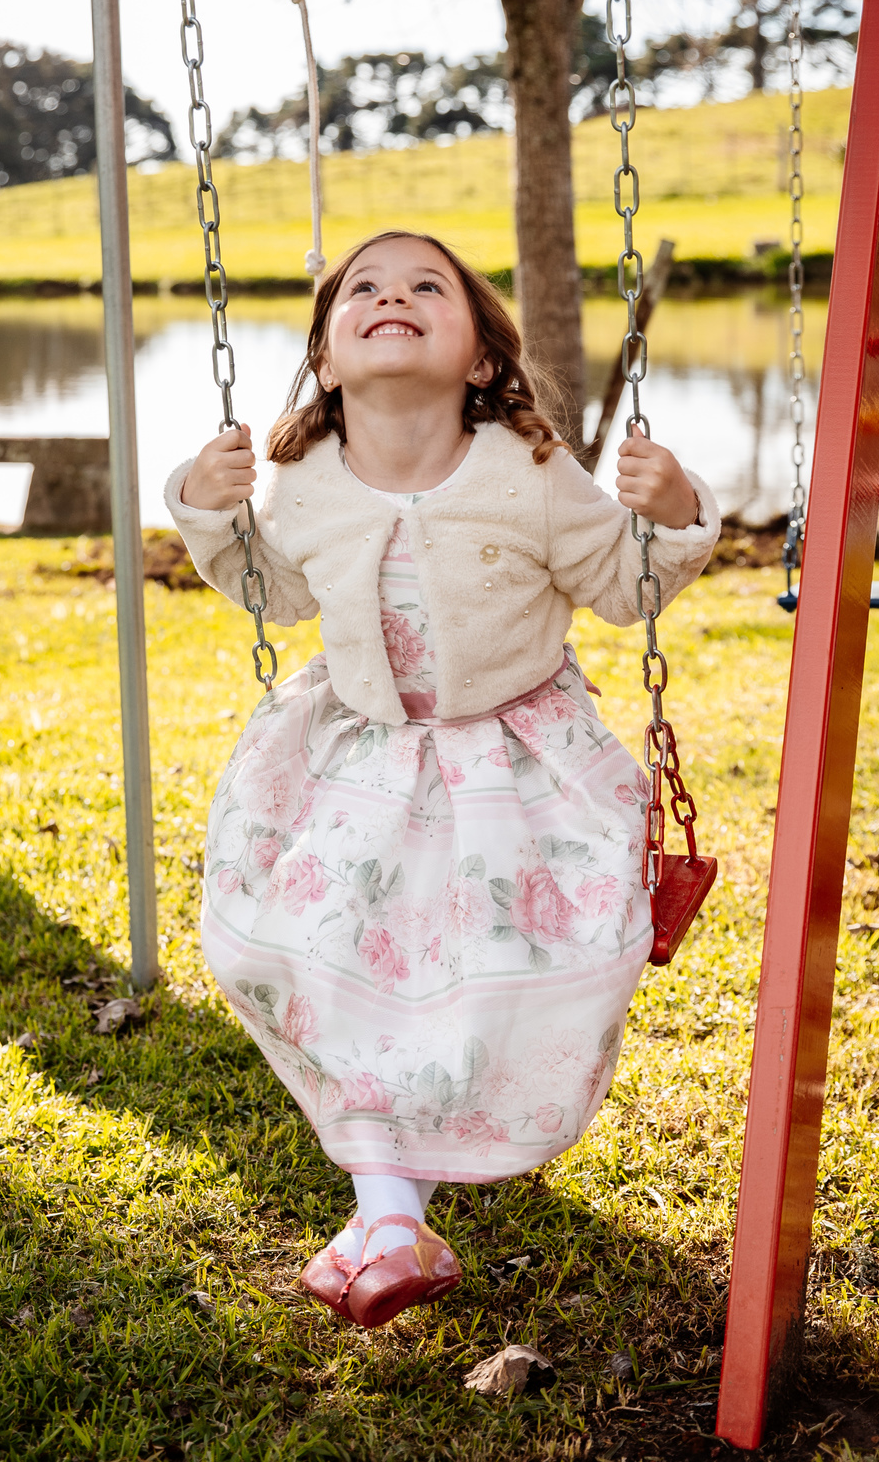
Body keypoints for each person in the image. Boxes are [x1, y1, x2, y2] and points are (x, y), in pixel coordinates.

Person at [165, 229, 719, 1330]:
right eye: (363, 288)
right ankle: (389, 1214)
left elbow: (622, 585)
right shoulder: (307, 478)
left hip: (513, 768)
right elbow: (272, 590)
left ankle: (383, 1215)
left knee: (493, 972)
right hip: (359, 760)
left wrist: (674, 509)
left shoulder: (533, 470)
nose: (393, 296)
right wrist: (205, 501)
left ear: (480, 360)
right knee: (297, 951)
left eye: (428, 286)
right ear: (326, 358)